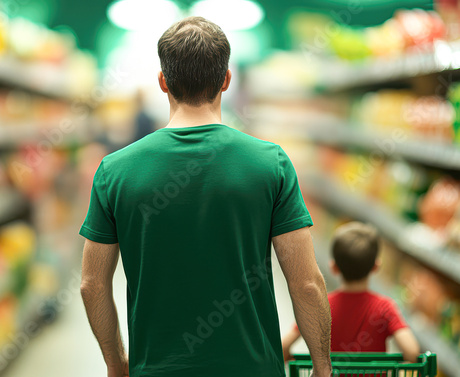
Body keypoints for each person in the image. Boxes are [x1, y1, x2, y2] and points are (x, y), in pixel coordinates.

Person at [79, 16, 332, 377]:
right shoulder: (270, 163)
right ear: (226, 80)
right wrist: (323, 368)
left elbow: (92, 284)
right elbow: (306, 284)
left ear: (163, 82)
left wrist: (116, 363)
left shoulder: (114, 171)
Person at [282, 222, 420, 362]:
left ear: (334, 267)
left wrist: (290, 358)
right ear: (375, 267)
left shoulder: (321, 306)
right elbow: (412, 352)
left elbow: (283, 347)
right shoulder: (385, 308)